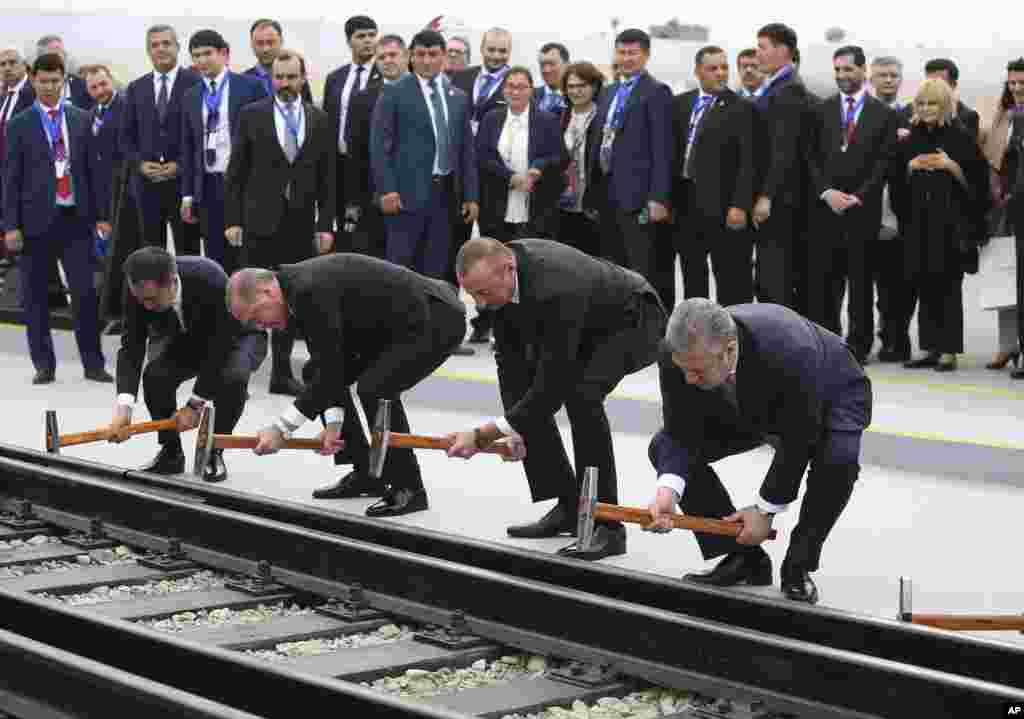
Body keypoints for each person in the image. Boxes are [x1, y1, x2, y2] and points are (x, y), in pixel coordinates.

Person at [448, 237, 666, 561]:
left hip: (633, 318)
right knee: (527, 401)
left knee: (582, 396)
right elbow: (509, 364)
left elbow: (552, 387)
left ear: (508, 270)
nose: (479, 304)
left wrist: (485, 435)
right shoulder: (500, 286)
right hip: (587, 323)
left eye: (482, 293)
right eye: (473, 295)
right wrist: (514, 427)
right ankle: (568, 504)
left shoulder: (556, 286)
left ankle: (607, 525)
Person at [645, 298, 872, 605]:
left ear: (729, 350)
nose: (688, 380)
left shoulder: (789, 348)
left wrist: (764, 511)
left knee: (838, 462)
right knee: (662, 448)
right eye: (683, 369)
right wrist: (668, 491)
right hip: (746, 402)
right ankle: (744, 558)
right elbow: (680, 431)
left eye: (697, 371)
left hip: (831, 387)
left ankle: (798, 565)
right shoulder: (678, 355)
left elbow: (798, 438)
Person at [226, 255, 466, 515]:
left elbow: (331, 375)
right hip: (392, 326)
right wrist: (334, 423)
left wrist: (281, 429)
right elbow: (328, 365)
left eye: (256, 317)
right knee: (313, 371)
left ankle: (408, 487)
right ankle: (366, 473)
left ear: (267, 291)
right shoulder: (293, 291)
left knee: (376, 387)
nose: (261, 326)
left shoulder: (307, 290)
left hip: (436, 317)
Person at [225, 49, 335, 398]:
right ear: (271, 79)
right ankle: (236, 372)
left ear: (304, 78)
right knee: (251, 299)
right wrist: (233, 220)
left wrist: (326, 224)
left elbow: (328, 177)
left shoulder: (318, 119)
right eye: (279, 77)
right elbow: (236, 173)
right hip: (259, 223)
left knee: (289, 300)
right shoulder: (251, 116)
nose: (285, 84)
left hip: (300, 225)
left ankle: (282, 373)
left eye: (292, 77)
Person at [2, 53, 112, 385]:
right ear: (33, 80)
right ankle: (44, 365)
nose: (50, 87)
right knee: (35, 296)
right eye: (44, 81)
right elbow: (10, 179)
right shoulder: (19, 124)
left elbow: (94, 172)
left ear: (64, 81)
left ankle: (93, 363)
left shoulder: (80, 118)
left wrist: (102, 216)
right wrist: (10, 226)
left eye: (56, 81)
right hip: (35, 221)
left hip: (76, 219)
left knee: (84, 294)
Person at [112, 248, 266, 480]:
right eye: (140, 299)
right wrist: (124, 409)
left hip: (237, 336)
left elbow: (220, 346)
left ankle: (215, 449)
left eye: (152, 299)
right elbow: (130, 347)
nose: (146, 306)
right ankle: (171, 453)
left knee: (232, 378)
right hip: (189, 337)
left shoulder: (210, 277)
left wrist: (194, 405)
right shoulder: (137, 289)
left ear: (172, 282)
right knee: (156, 376)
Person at [805, 46, 898, 364]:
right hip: (827, 210)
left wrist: (862, 194)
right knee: (826, 283)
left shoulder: (882, 114)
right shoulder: (821, 110)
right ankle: (828, 341)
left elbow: (885, 161)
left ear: (862, 71)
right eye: (838, 70)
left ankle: (859, 344)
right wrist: (826, 192)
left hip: (862, 209)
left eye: (848, 70)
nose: (842, 76)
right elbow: (811, 158)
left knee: (861, 283)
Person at [893, 79, 991, 372]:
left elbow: (979, 184)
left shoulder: (960, 137)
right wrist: (910, 167)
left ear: (945, 105)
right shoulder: (911, 139)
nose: (926, 109)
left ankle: (948, 349)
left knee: (948, 287)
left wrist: (952, 167)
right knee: (924, 284)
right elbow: (895, 178)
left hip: (950, 227)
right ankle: (930, 347)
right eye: (921, 104)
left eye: (932, 103)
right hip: (918, 225)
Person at [370, 30, 478, 280]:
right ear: (411, 56)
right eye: (421, 54)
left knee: (437, 267)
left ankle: (433, 318)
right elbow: (379, 146)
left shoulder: (458, 97)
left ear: (443, 56)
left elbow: (465, 150)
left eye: (433, 54)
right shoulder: (394, 92)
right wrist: (387, 189)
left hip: (445, 196)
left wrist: (471, 195)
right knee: (401, 268)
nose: (427, 61)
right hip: (405, 197)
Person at [588, 28, 674, 309]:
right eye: (622, 52)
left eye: (633, 53)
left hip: (638, 197)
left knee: (641, 268)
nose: (627, 58)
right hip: (607, 191)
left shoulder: (657, 92)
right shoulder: (608, 92)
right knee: (612, 267)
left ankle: (647, 327)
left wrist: (659, 198)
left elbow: (663, 148)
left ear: (646, 55)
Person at [671, 45, 756, 308]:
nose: (720, 73)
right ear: (698, 71)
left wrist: (740, 205)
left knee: (732, 281)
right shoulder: (680, 104)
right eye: (713, 68)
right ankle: (697, 337)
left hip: (726, 209)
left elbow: (750, 162)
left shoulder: (742, 108)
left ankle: (737, 335)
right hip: (687, 206)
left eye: (724, 68)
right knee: (693, 278)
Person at [180, 30, 268, 273]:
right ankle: (223, 307)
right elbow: (188, 147)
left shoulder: (251, 87)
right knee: (216, 255)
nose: (202, 61)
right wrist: (188, 194)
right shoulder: (191, 96)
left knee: (247, 254)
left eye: (207, 54)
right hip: (208, 185)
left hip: (243, 183)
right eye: (196, 56)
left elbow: (264, 140)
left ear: (224, 54)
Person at [119, 24, 202, 253]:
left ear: (177, 47)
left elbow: (201, 135)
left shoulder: (195, 83)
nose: (161, 49)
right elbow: (125, 138)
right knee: (152, 255)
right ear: (148, 51)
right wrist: (140, 164)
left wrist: (181, 165)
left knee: (189, 252)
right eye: (154, 45)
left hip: (183, 186)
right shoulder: (136, 88)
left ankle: (191, 290)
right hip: (147, 187)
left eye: (166, 43)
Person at [751, 23, 813, 309]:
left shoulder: (789, 90)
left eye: (762, 47)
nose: (757, 53)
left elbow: (783, 150)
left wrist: (767, 195)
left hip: (780, 200)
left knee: (776, 276)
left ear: (783, 50)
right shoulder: (775, 86)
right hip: (775, 196)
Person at [344, 35, 408, 259]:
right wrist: (356, 200)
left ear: (406, 56)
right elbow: (356, 154)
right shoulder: (363, 99)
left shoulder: (425, 93)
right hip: (375, 198)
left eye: (393, 55)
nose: (387, 61)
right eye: (381, 57)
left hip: (417, 198)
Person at [980, 58, 1024, 378]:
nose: (1017, 89)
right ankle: (1008, 343)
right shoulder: (1004, 117)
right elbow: (993, 160)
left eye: (1022, 83)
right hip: (1005, 208)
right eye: (1012, 83)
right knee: (1005, 276)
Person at [323, 15, 380, 253]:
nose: (368, 41)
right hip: (339, 163)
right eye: (361, 36)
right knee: (342, 227)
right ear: (349, 41)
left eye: (371, 35)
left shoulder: (385, 75)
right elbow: (326, 121)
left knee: (368, 229)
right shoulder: (335, 78)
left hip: (371, 166)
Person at [556, 61, 603, 257]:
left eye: (581, 86)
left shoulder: (603, 116)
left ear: (594, 86)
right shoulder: (560, 116)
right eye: (571, 87)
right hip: (563, 202)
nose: (576, 91)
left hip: (593, 203)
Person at [244, 19, 313, 102]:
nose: (265, 49)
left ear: (281, 42)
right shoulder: (243, 82)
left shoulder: (296, 77)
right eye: (260, 43)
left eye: (270, 42)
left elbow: (308, 110)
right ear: (252, 45)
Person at [34, 35, 92, 110]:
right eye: (56, 52)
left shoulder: (83, 86)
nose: (62, 55)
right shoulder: (27, 91)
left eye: (63, 52)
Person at [534, 43, 569, 114]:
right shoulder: (529, 96)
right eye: (542, 65)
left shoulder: (579, 97)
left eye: (552, 64)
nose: (547, 70)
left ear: (567, 65)